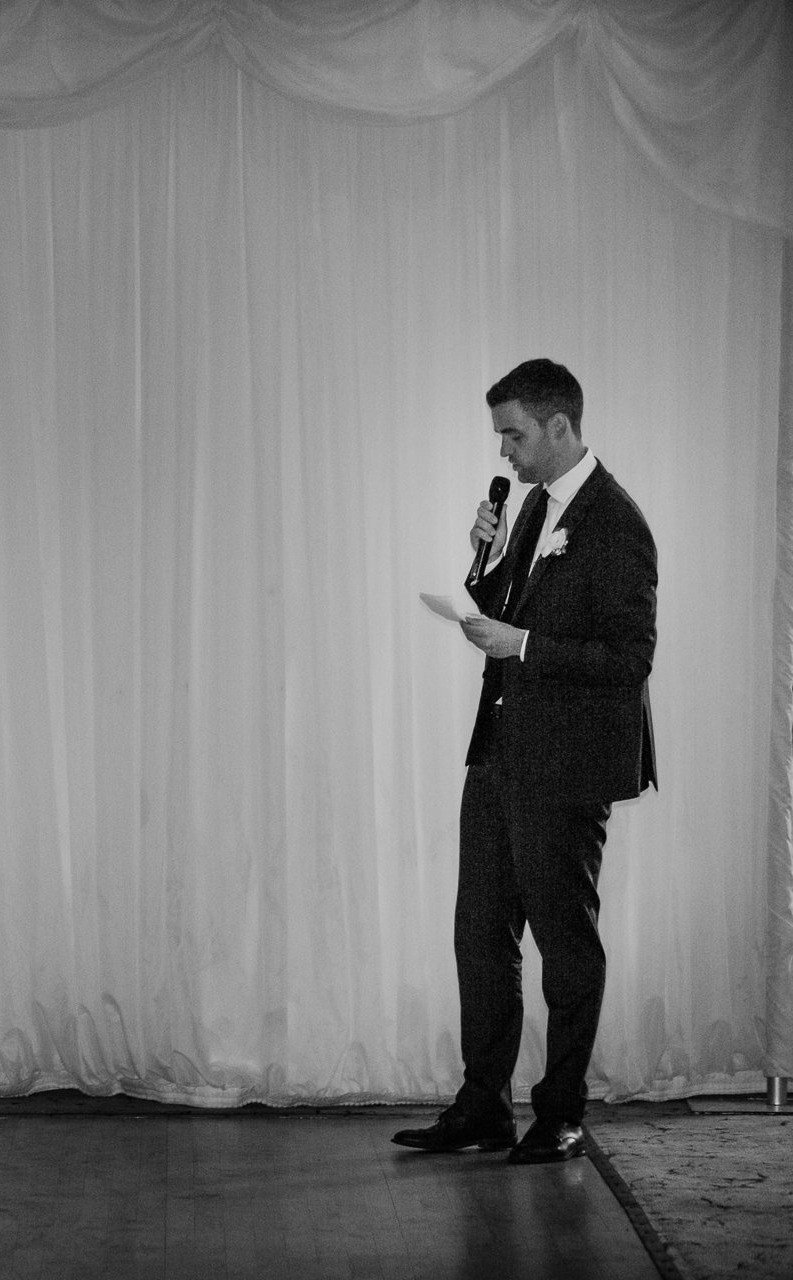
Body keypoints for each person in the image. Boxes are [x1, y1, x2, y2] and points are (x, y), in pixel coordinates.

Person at [394, 359, 657, 1164]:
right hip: (500, 755)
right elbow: (502, 609)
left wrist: (527, 646)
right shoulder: (537, 506)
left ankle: (563, 1113)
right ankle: (482, 1108)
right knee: (480, 934)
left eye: (513, 433)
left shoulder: (615, 523)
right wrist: (487, 554)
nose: (504, 451)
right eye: (500, 435)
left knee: (565, 944)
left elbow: (629, 658)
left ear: (559, 426)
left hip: (567, 765)